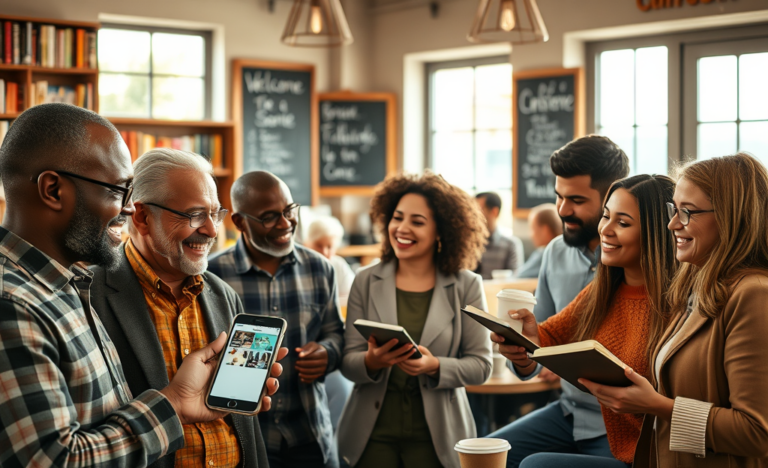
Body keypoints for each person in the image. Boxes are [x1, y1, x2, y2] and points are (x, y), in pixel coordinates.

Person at [0, 103, 260, 467]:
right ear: (53, 190)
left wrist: (181, 402)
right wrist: (173, 406)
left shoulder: (69, 285)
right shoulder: (15, 304)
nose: (128, 208)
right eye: (117, 191)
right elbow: (54, 460)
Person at [89, 148, 286, 468]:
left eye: (215, 214)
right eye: (195, 215)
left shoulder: (223, 294)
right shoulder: (89, 294)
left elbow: (246, 430)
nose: (212, 230)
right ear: (142, 217)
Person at [580, 153, 768, 467]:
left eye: (687, 212)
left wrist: (658, 406)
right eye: (674, 209)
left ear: (732, 217)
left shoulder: (754, 294)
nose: (672, 224)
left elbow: (756, 433)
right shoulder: (695, 281)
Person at [496, 174, 678, 467]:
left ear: (656, 232)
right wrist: (527, 341)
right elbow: (549, 337)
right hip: (576, 414)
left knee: (536, 465)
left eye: (623, 223)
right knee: (490, 453)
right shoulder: (602, 289)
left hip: (655, 450)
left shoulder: (681, 302)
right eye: (606, 216)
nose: (605, 229)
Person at [486, 135, 630, 467]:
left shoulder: (639, 259)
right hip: (568, 411)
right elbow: (541, 345)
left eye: (576, 200)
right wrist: (522, 358)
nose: (562, 210)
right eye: (559, 196)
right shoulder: (554, 252)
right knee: (487, 455)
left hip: (622, 421)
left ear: (613, 198)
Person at [338, 172, 493, 468]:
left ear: (441, 231)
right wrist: (371, 361)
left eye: (417, 222)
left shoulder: (466, 285)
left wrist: (435, 366)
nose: (402, 228)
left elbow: (481, 366)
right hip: (371, 436)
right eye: (397, 218)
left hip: (438, 438)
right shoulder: (365, 280)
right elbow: (347, 362)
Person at [207, 171, 344, 468]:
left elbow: (336, 333)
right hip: (245, 438)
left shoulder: (320, 268)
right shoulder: (212, 276)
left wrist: (328, 353)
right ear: (239, 222)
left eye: (289, 210)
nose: (285, 223)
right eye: (269, 217)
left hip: (309, 433)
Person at [305, 216, 355, 300]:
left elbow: (350, 296)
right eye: (319, 245)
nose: (324, 252)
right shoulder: (299, 267)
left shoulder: (339, 266)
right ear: (307, 244)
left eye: (329, 247)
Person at [475, 191, 523, 278]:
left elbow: (515, 278)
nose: (474, 215)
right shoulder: (470, 244)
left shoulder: (511, 244)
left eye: (479, 210)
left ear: (494, 212)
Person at [515, 203, 561, 279]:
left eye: (533, 229)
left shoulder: (544, 252)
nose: (531, 235)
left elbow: (519, 276)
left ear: (545, 231)